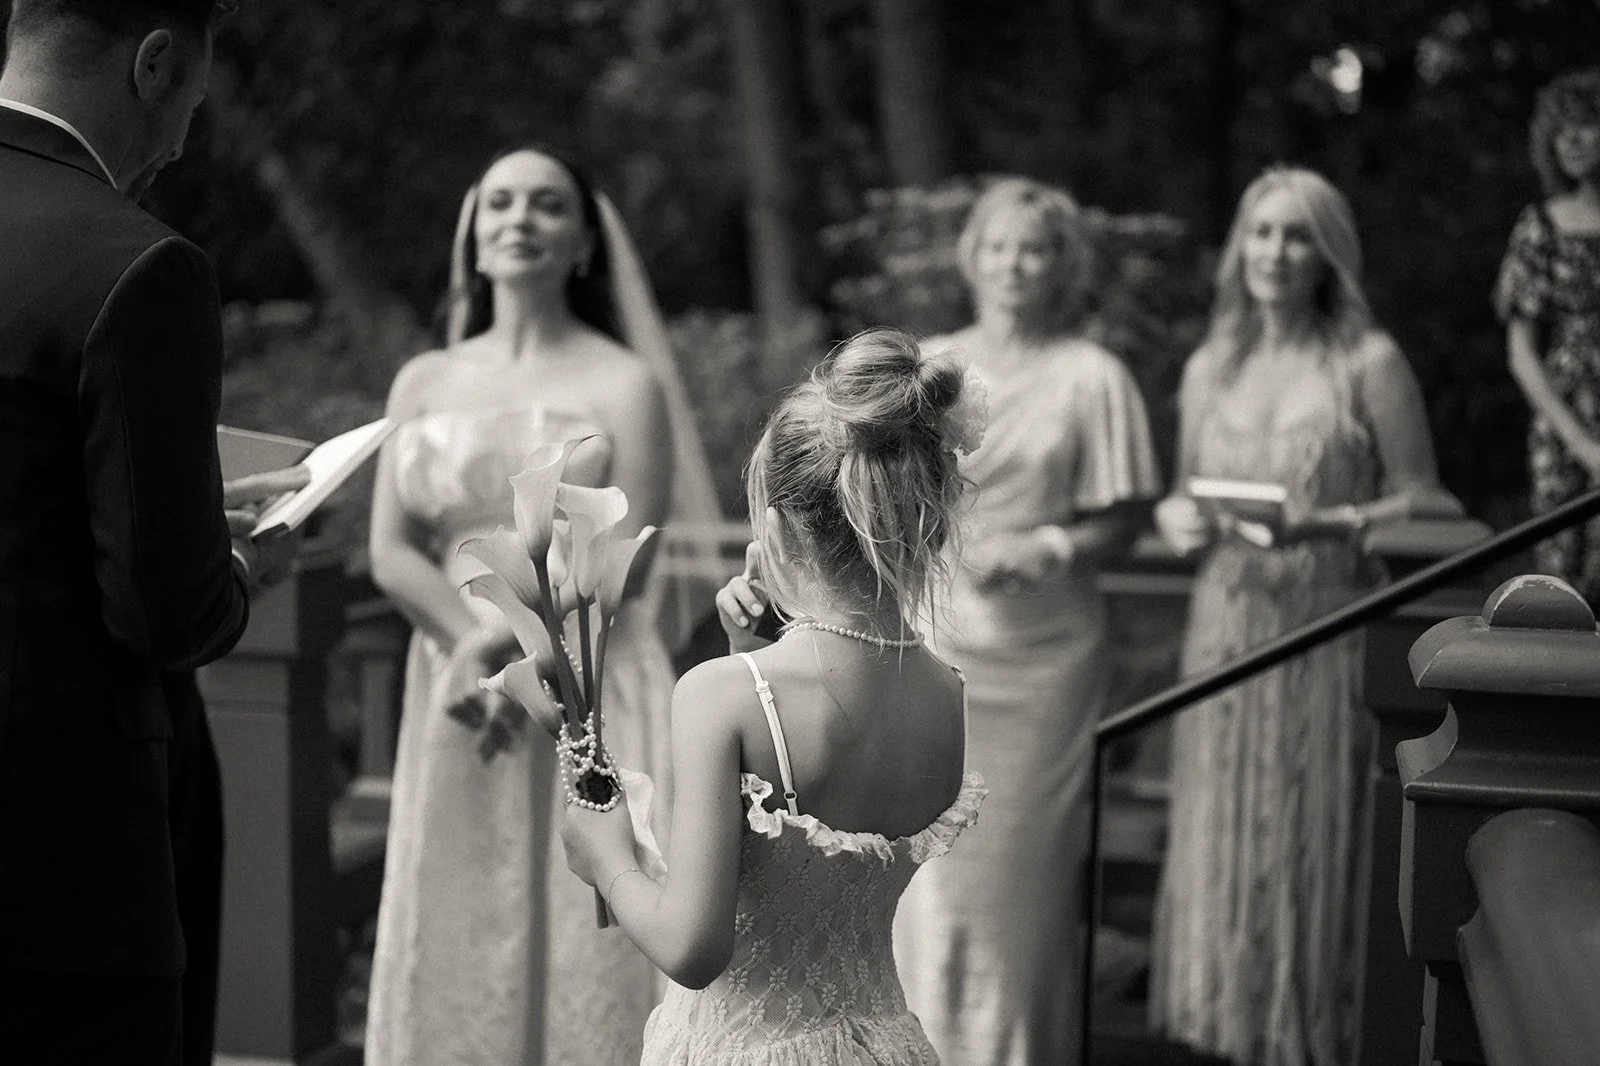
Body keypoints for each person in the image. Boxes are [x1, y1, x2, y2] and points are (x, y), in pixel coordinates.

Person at [364, 144, 720, 1065]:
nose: (520, 218)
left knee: (586, 916)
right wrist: (477, 646)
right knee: (464, 909)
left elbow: (631, 551)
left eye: (548, 204)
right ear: (474, 235)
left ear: (585, 242)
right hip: (459, 684)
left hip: (594, 675)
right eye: (501, 202)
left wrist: (519, 645)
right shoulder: (422, 381)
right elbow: (390, 550)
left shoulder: (625, 382)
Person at [553, 327, 987, 1064]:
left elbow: (693, 949)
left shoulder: (720, 696)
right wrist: (749, 655)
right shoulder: (948, 691)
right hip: (883, 1043)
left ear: (778, 531)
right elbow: (817, 877)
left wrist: (607, 858)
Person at [0, 1, 297, 1062]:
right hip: (54, 872)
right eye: (192, 107)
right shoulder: (136, 265)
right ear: (155, 62)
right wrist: (235, 560)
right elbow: (163, 611)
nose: (176, 145)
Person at [1148, 165, 1455, 1066]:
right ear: (1238, 247)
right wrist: (1176, 520)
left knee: (1306, 828)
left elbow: (1428, 500)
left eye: (1296, 235)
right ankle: (1229, 1028)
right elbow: (1179, 497)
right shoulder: (1211, 365)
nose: (1275, 253)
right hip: (1225, 624)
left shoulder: (1368, 362)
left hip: (1326, 622)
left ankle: (1313, 1032)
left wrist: (1329, 522)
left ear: (1328, 254)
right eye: (1261, 232)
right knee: (1228, 830)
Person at [888, 177, 1161, 1066]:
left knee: (1021, 878)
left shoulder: (1093, 375)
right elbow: (885, 493)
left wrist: (1049, 544)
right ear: (972, 257)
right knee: (927, 867)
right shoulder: (932, 367)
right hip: (935, 639)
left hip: (1044, 658)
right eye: (999, 246)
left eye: (1034, 249)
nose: (1014, 265)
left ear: (1062, 265)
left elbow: (1126, 518)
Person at [1496, 68, 1600, 605]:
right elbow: (1522, 354)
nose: (1572, 140)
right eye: (1560, 130)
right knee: (1566, 598)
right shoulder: (1540, 226)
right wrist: (1582, 444)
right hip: (1567, 426)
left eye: (1585, 124)